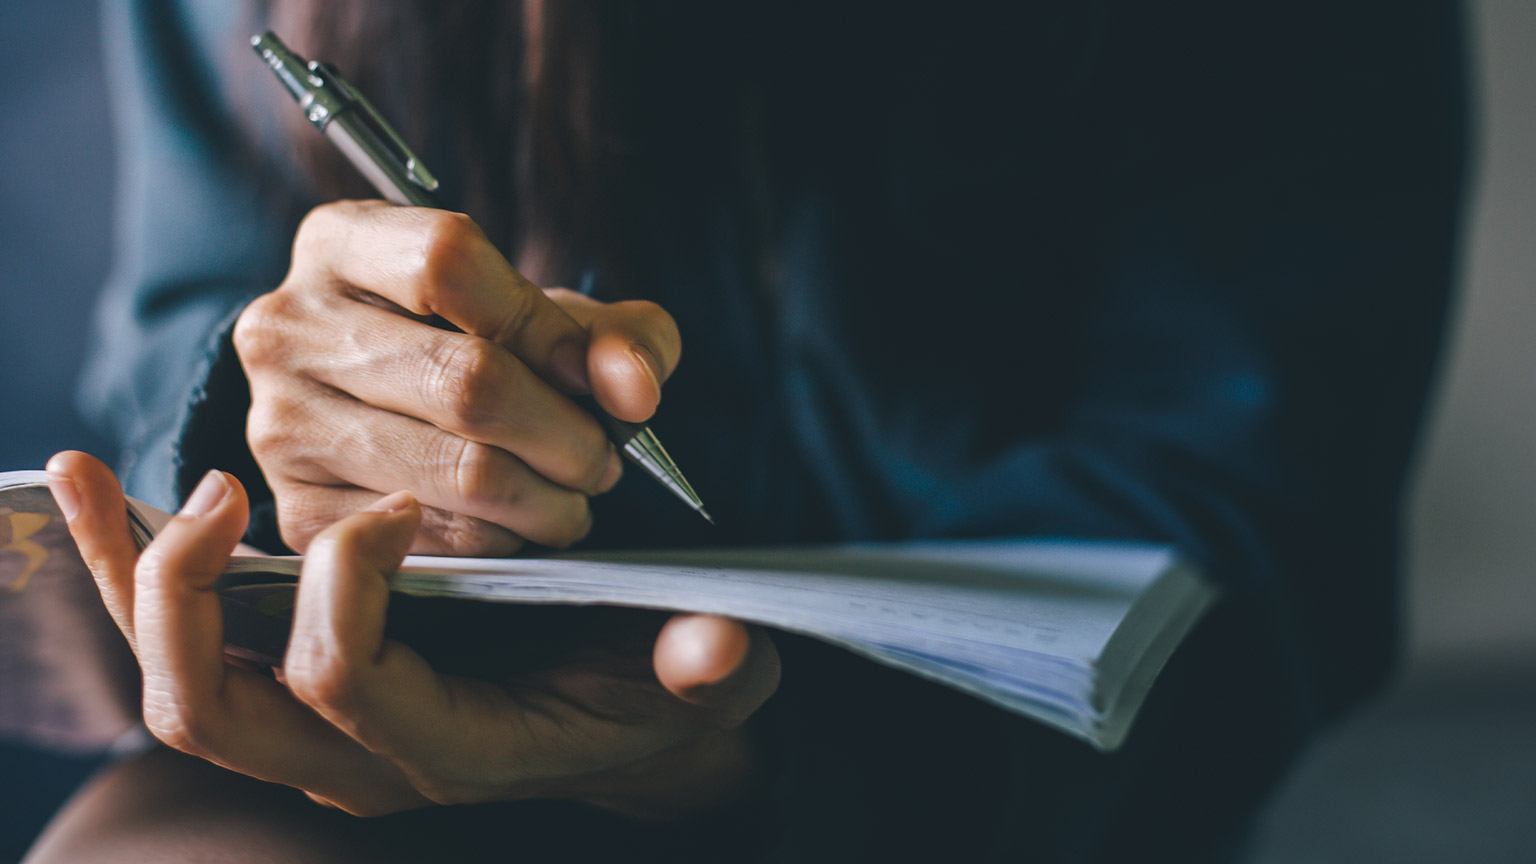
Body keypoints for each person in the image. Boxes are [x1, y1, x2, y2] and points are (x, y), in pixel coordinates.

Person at [29, 0, 1465, 861]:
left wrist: (791, 754)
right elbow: (182, 317)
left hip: (981, 801)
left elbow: (1257, 508)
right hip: (380, 732)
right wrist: (279, 432)